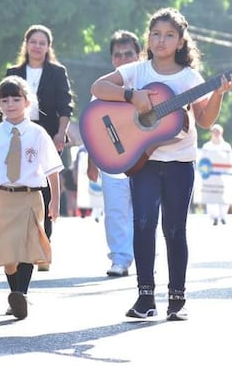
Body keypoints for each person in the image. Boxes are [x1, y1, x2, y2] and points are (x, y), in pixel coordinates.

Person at [90, 8, 232, 320]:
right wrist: (131, 95)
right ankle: (145, 298)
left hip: (180, 162)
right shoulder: (137, 71)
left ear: (181, 41)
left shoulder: (189, 78)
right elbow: (98, 88)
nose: (161, 40)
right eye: (156, 34)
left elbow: (206, 121)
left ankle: (177, 299)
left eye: (169, 35)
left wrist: (219, 94)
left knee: (174, 229)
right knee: (143, 225)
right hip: (142, 160)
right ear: (148, 37)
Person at [0, 75, 63, 320]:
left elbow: (52, 169)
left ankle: (21, 293)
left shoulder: (38, 133)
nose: (10, 104)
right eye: (5, 100)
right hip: (1, 197)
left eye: (16, 99)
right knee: (8, 252)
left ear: (27, 102)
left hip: (30, 196)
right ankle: (15, 295)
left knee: (28, 246)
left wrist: (55, 201)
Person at [6, 24, 74, 270]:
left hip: (47, 134)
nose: (37, 46)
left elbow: (65, 106)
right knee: (20, 190)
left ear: (48, 47)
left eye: (42, 42)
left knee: (44, 193)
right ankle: (19, 248)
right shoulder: (13, 71)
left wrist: (61, 133)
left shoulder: (57, 72)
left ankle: (43, 248)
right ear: (26, 44)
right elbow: (4, 105)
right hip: (18, 135)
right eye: (33, 41)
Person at [86, 30, 141, 277]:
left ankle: (144, 255)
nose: (123, 58)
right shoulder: (103, 89)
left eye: (128, 53)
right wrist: (92, 160)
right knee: (116, 211)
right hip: (113, 160)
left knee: (144, 211)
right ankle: (120, 258)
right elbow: (92, 128)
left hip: (146, 158)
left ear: (138, 55)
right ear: (112, 60)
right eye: (117, 55)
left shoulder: (149, 84)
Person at [200, 124, 232, 225]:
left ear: (221, 133)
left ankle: (223, 216)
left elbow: (231, 161)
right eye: (214, 131)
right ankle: (214, 217)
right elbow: (202, 161)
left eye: (217, 132)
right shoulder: (206, 146)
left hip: (223, 175)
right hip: (210, 175)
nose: (215, 133)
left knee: (223, 196)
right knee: (211, 195)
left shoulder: (226, 146)